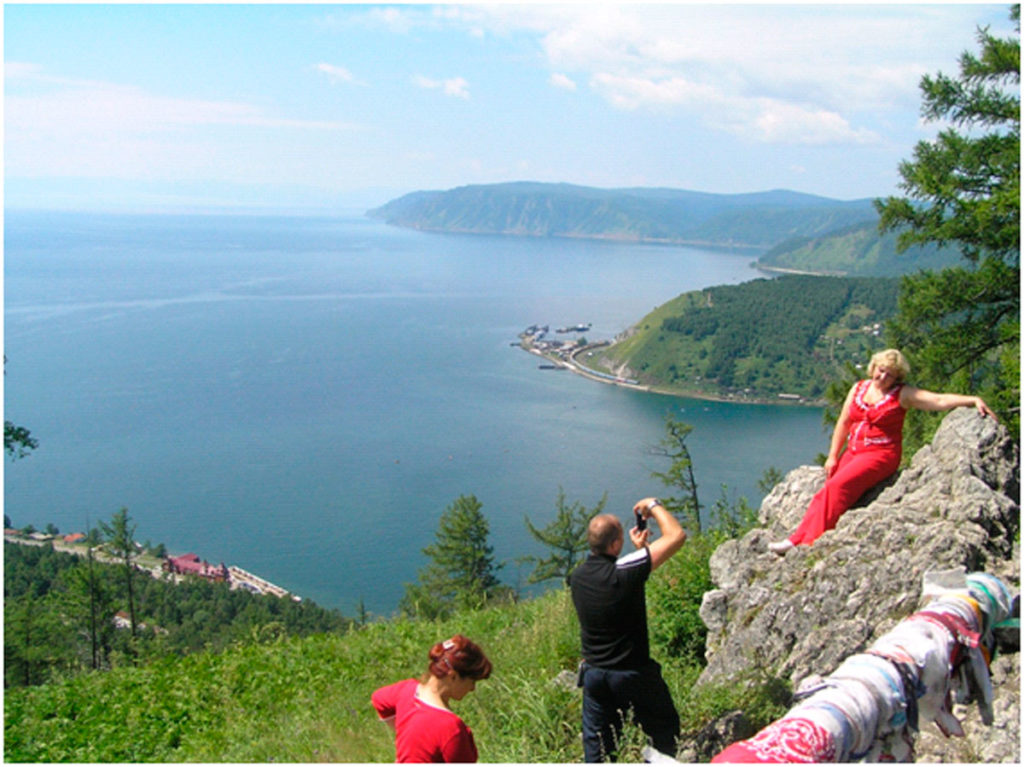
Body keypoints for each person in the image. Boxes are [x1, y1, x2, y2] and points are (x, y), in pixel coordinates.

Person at [769, 348, 996, 554]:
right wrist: (832, 456)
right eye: (881, 370)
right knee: (826, 490)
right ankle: (795, 538)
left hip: (881, 454)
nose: (883, 377)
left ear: (897, 377)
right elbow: (844, 422)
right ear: (873, 368)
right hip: (853, 451)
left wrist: (972, 400)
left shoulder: (903, 394)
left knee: (839, 486)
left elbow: (938, 399)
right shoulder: (858, 388)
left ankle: (809, 543)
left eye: (890, 374)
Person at [569, 497, 688, 762]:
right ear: (615, 544)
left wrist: (640, 551)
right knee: (664, 734)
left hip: (595, 676)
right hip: (632, 674)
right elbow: (676, 536)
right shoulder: (624, 573)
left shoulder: (577, 578)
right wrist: (654, 505)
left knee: (599, 749)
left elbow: (614, 578)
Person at [371, 634, 492, 763]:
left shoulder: (406, 691)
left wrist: (405, 736)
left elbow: (378, 698)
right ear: (453, 677)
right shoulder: (451, 729)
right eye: (472, 681)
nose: (472, 688)